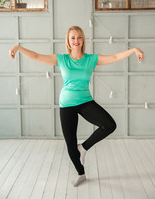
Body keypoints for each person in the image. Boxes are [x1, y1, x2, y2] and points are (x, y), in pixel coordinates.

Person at [9, 25, 144, 187]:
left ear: (83, 40)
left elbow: (114, 57)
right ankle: (81, 173)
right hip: (66, 104)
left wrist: (134, 50)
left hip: (86, 101)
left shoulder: (90, 59)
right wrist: (18, 48)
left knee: (109, 125)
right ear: (68, 41)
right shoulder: (62, 59)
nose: (76, 40)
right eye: (73, 37)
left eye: (79, 37)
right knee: (70, 144)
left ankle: (84, 148)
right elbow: (37, 56)